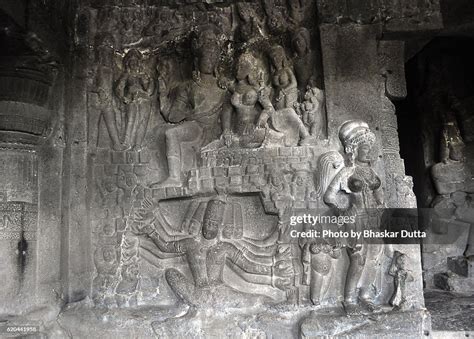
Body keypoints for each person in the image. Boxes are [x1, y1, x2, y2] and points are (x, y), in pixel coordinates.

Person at [324, 120, 385, 315]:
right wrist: (340, 212)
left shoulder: (372, 171)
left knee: (374, 258)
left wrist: (381, 205)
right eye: (364, 147)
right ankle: (349, 299)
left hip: (374, 219)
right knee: (357, 260)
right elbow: (329, 197)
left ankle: (366, 295)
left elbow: (379, 194)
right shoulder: (347, 172)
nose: (369, 151)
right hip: (355, 219)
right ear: (354, 149)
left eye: (370, 147)